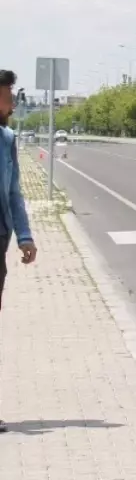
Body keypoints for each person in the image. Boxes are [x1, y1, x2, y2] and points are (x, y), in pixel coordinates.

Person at [0, 69, 36, 434]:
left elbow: (13, 192)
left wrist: (24, 235)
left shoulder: (7, 138)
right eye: (7, 95)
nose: (12, 102)